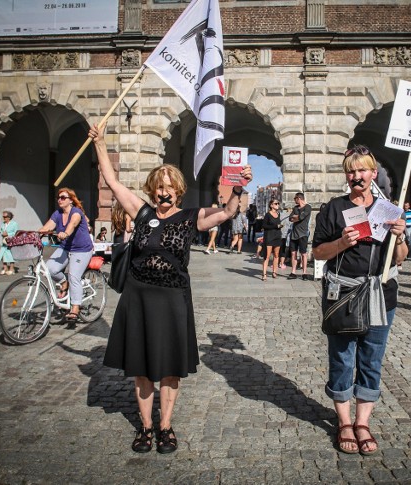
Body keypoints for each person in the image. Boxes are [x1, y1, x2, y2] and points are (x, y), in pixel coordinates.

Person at [89, 123, 252, 455]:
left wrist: (238, 188)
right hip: (139, 298)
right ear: (152, 190)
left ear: (179, 191)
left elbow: (226, 213)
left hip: (172, 300)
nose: (164, 193)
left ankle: (166, 427)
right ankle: (146, 428)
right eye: (159, 187)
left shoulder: (191, 218)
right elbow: (112, 181)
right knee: (142, 368)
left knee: (168, 370)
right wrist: (101, 143)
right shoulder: (142, 211)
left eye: (170, 188)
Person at [312, 145, 408, 455]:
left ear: (373, 173)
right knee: (342, 358)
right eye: (351, 171)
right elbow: (317, 253)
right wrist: (341, 242)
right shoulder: (334, 208)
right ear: (346, 175)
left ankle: (362, 423)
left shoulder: (389, 209)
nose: (357, 176)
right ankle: (344, 423)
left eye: (362, 170)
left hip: (381, 293)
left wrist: (401, 236)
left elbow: (401, 259)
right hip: (344, 293)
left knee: (372, 358)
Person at [37, 187, 94, 321]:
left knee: (74, 276)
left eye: (63, 197)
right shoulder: (57, 214)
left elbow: (72, 224)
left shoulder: (76, 212)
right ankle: (64, 283)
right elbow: (47, 227)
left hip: (82, 249)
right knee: (50, 269)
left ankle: (75, 307)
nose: (60, 200)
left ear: (71, 201)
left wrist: (66, 233)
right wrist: (36, 234)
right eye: (58, 197)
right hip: (65, 247)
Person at [288, 192, 312, 280]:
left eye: (295, 199)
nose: (294, 200)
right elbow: (290, 218)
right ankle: (293, 272)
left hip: (303, 234)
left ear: (299, 198)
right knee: (293, 253)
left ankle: (304, 273)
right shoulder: (295, 208)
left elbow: (301, 217)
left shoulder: (308, 207)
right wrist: (295, 217)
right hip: (294, 234)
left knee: (303, 253)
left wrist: (296, 217)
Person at [261, 199, 282, 280]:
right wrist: (275, 226)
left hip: (277, 236)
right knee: (267, 256)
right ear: (271, 205)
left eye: (278, 203)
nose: (277, 205)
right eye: (276, 203)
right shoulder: (267, 215)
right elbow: (264, 226)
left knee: (276, 255)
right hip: (269, 237)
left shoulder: (278, 214)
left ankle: (274, 272)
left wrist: (280, 226)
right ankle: (264, 274)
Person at [0, 211, 19, 275]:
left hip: (11, 241)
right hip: (4, 241)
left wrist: (8, 234)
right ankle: (5, 268)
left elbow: (16, 232)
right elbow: (1, 231)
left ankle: (12, 269)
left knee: (11, 255)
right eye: (3, 217)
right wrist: (2, 233)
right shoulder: (3, 224)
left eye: (5, 217)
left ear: (9, 217)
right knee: (3, 254)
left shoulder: (14, 224)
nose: (3, 218)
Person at [278, 204, 292, 269]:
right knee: (283, 249)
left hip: (278, 233)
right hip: (285, 234)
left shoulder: (280, 214)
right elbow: (291, 226)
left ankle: (277, 263)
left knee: (277, 249)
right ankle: (282, 263)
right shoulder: (290, 216)